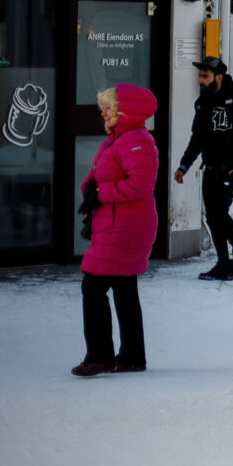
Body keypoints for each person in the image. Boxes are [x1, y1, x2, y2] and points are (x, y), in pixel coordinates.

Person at [74, 84, 160, 377]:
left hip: (126, 226)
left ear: (126, 111)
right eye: (103, 108)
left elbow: (141, 184)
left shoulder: (136, 141)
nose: (103, 112)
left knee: (93, 285)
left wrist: (101, 193)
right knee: (124, 288)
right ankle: (132, 356)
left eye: (109, 107)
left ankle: (99, 355)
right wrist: (90, 191)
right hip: (115, 223)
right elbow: (98, 175)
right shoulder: (119, 139)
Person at [174, 57, 233, 281]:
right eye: (200, 76)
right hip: (210, 167)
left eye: (205, 76)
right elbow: (197, 138)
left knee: (219, 213)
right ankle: (223, 262)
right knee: (212, 216)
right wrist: (184, 165)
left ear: (218, 77)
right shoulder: (203, 102)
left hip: (231, 170)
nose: (201, 80)